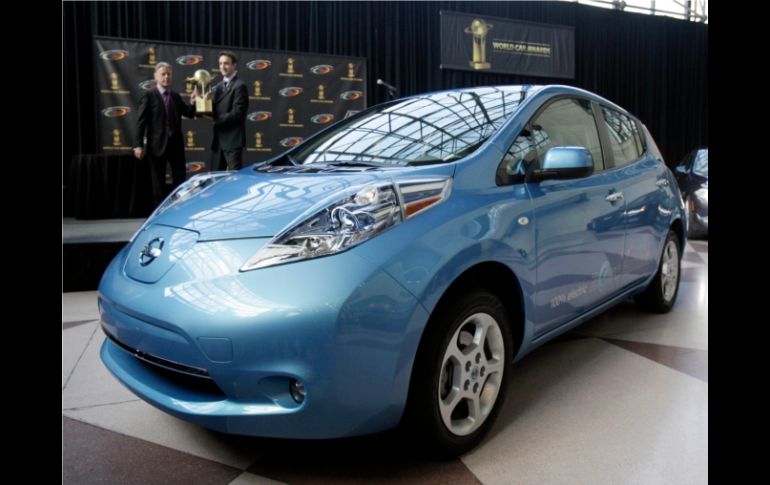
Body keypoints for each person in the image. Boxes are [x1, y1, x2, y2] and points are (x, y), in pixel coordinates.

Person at [133, 62, 195, 205]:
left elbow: (189, 113)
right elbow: (140, 122)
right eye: (163, 74)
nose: (166, 77)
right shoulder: (149, 96)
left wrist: (193, 102)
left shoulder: (175, 96)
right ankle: (160, 211)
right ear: (156, 76)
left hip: (176, 146)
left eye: (169, 74)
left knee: (180, 178)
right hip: (157, 147)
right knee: (158, 183)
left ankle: (176, 207)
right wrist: (138, 145)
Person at [207, 51, 248, 171]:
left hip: (232, 141)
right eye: (220, 63)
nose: (222, 67)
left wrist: (215, 118)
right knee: (215, 178)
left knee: (236, 178)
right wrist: (199, 102)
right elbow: (213, 110)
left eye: (226, 63)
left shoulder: (240, 86)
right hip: (218, 141)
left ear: (234, 65)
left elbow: (237, 113)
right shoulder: (217, 87)